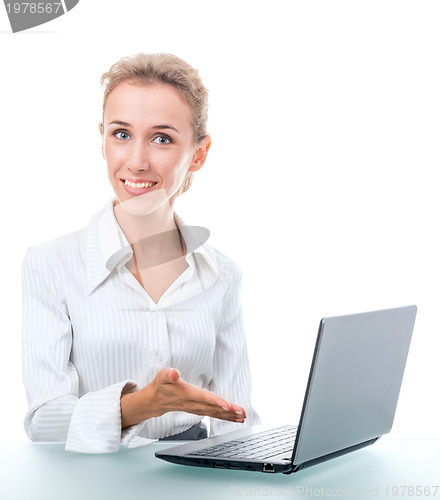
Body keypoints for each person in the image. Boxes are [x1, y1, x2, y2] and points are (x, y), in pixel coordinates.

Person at [21, 53, 260, 454]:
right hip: (93, 478)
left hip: (193, 474)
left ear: (199, 154)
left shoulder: (222, 274)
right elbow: (44, 421)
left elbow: (236, 419)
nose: (136, 161)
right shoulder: (50, 264)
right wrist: (136, 407)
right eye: (121, 134)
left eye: (162, 138)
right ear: (102, 139)